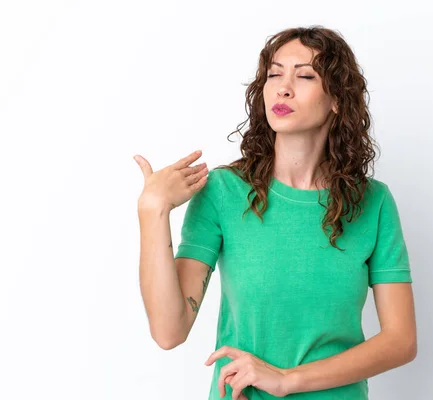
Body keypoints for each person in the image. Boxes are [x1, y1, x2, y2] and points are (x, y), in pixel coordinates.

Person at [135, 25, 417, 400]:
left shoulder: (373, 202)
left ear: (337, 99)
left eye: (304, 76)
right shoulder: (223, 192)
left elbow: (401, 341)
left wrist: (287, 379)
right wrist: (152, 212)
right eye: (273, 74)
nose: (283, 88)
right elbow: (169, 332)